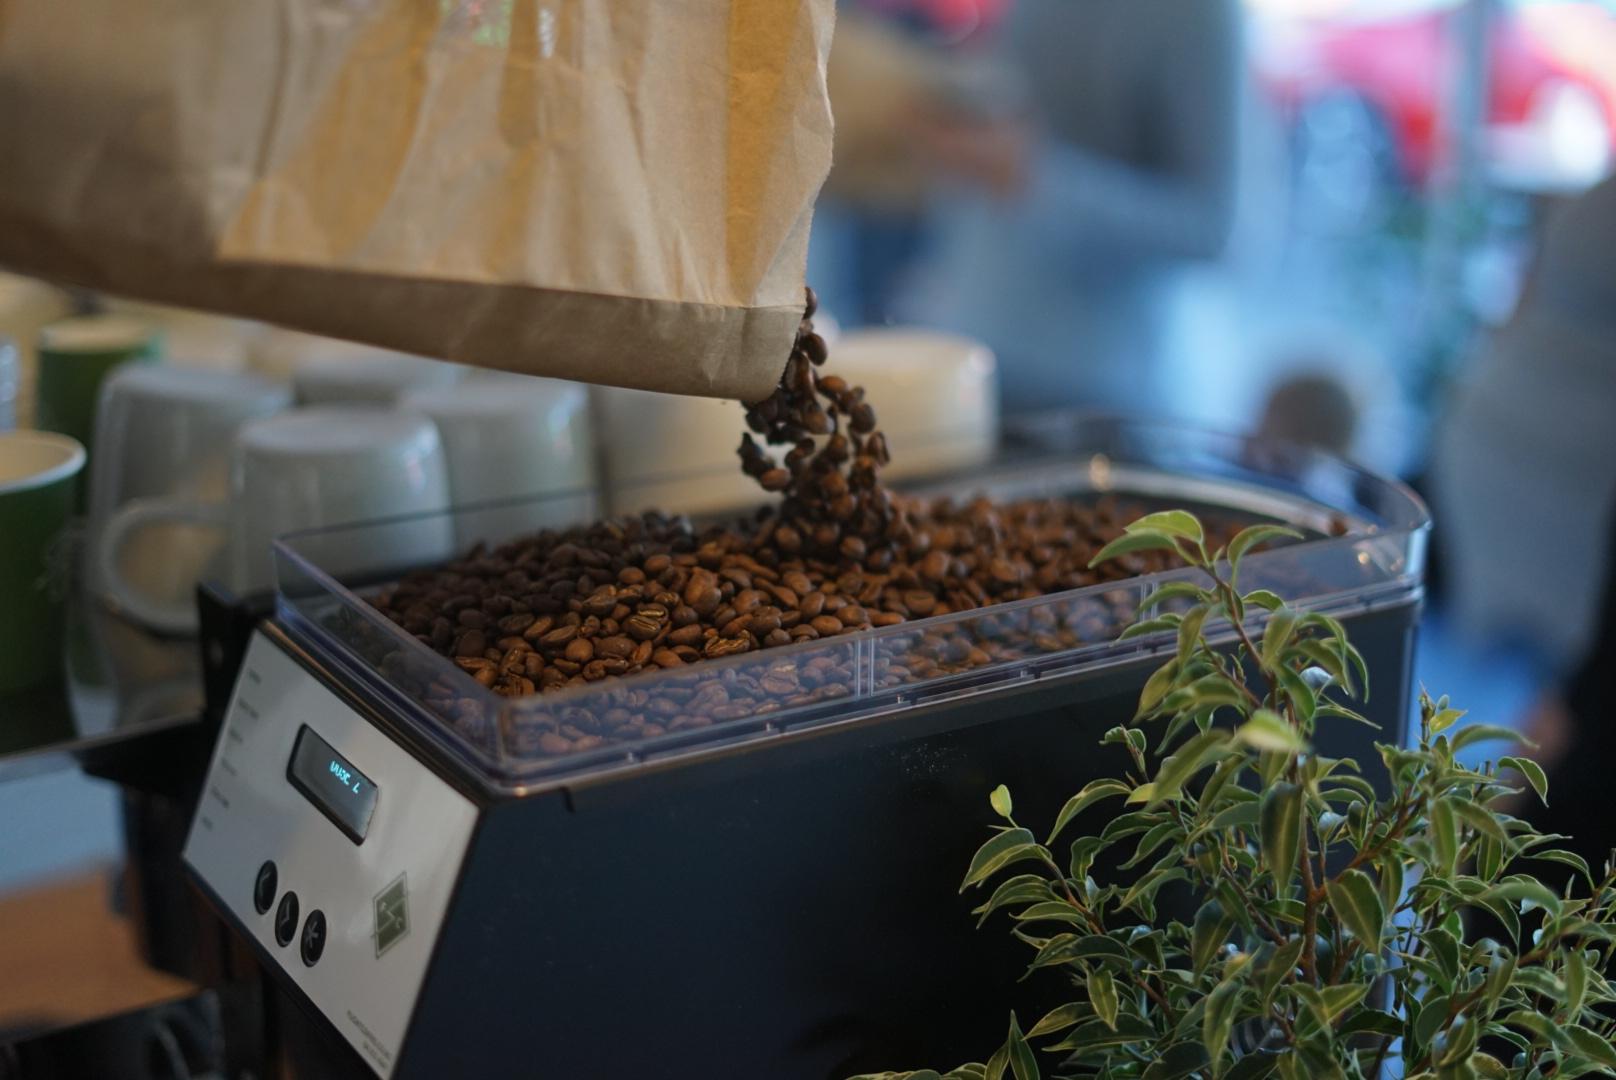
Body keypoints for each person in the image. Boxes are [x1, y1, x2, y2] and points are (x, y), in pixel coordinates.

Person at [891, 0, 1245, 416]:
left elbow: (1213, 227)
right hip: (966, 349)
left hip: (1094, 393)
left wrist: (1035, 177)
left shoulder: (1198, 14)